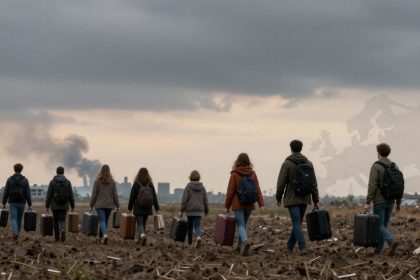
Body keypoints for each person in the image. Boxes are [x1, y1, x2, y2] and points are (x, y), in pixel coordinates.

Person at [276, 140, 319, 255]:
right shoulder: (309, 163)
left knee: (296, 223)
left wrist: (278, 197)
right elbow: (314, 182)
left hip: (292, 198)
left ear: (291, 148)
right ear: (301, 148)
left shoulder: (287, 163)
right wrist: (316, 200)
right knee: (297, 223)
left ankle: (302, 247)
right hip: (305, 198)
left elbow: (281, 182)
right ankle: (289, 246)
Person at [364, 143, 401, 256]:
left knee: (378, 224)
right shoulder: (394, 166)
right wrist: (398, 202)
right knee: (382, 226)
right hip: (391, 201)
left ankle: (391, 241)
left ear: (378, 152)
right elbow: (399, 185)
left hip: (380, 201)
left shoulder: (376, 166)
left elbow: (372, 185)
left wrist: (367, 202)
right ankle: (378, 251)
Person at [224, 153, 264, 256]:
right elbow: (257, 189)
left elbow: (230, 192)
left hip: (238, 203)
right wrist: (261, 204)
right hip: (250, 203)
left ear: (237, 162)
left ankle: (245, 242)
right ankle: (239, 247)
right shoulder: (253, 174)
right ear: (248, 162)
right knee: (244, 224)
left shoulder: (234, 174)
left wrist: (226, 206)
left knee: (240, 225)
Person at [128, 167, 160, 245]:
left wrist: (130, 208)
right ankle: (140, 240)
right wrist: (157, 208)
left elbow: (132, 196)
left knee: (140, 223)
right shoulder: (150, 184)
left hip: (138, 207)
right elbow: (154, 196)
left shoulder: (136, 184)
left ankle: (142, 236)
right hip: (148, 208)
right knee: (143, 223)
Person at [90, 164, 120, 245]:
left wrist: (91, 205)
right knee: (105, 221)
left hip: (100, 205)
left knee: (102, 221)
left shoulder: (97, 181)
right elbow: (115, 194)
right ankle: (100, 238)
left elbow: (94, 194)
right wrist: (117, 205)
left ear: (101, 171)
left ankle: (105, 235)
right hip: (109, 205)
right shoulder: (112, 182)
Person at [2, 163, 32, 241]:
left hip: (12, 202)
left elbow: (6, 191)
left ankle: (15, 233)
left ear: (14, 169)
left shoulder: (9, 179)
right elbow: (27, 193)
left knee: (13, 218)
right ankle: (17, 234)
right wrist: (30, 204)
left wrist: (4, 202)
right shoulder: (25, 180)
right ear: (21, 169)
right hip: (22, 202)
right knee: (19, 218)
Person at [45, 166, 75, 242]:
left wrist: (47, 206)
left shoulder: (52, 182)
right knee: (62, 219)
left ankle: (57, 238)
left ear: (56, 172)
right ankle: (62, 229)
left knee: (55, 221)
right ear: (63, 172)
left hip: (55, 205)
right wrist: (73, 206)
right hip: (64, 205)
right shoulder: (67, 182)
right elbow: (71, 195)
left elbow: (49, 195)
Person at [180, 170, 209, 248]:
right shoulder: (202, 188)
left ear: (190, 177)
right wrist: (206, 210)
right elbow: (205, 200)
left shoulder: (188, 187)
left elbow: (184, 200)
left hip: (189, 210)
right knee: (197, 226)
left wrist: (181, 211)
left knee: (189, 226)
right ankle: (198, 237)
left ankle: (189, 243)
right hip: (198, 210)